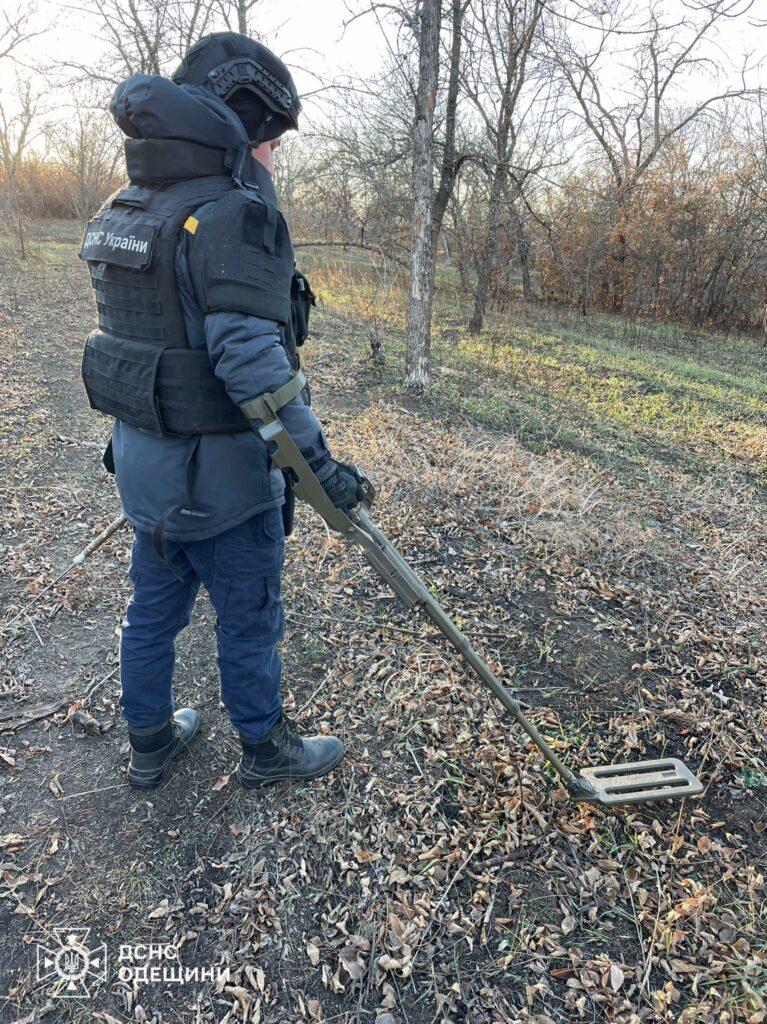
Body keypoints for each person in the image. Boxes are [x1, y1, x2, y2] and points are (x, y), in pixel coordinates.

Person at [78, 32, 371, 789]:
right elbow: (250, 363)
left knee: (152, 610)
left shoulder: (128, 205)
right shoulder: (233, 213)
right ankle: (266, 751)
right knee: (248, 617)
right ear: (246, 134)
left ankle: (149, 741)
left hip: (144, 473)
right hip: (223, 486)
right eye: (272, 143)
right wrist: (319, 465)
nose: (272, 159)